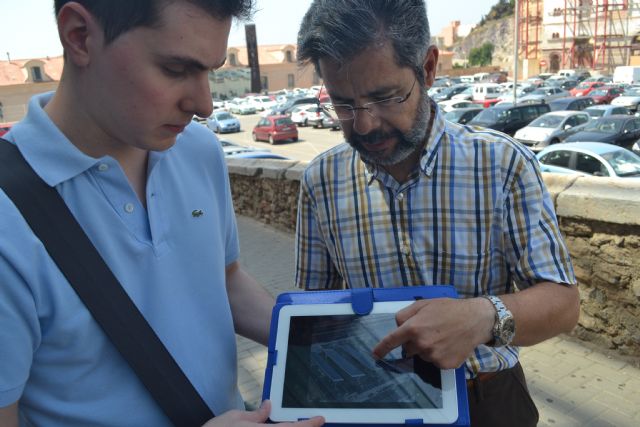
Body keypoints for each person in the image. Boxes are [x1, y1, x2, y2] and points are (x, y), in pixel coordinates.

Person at [0, 1, 324, 426]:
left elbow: (224, 282)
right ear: (79, 35)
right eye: (176, 70)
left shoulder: (199, 150)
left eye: (211, 70)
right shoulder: (8, 215)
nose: (206, 105)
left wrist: (328, 340)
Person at [294, 1, 580, 426]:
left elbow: (562, 303)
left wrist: (483, 317)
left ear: (427, 68)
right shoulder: (321, 180)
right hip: (373, 403)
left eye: (385, 96)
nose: (366, 124)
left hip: (490, 400)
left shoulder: (503, 165)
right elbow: (313, 314)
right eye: (343, 105)